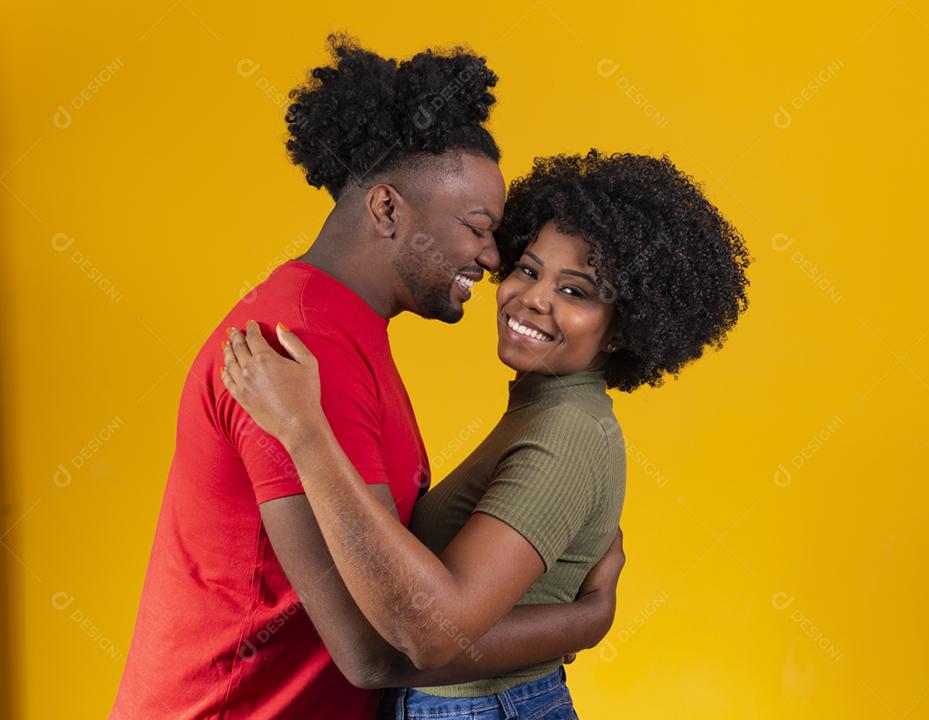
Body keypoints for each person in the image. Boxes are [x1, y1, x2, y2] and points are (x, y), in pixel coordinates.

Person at [111, 36, 624, 720]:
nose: (494, 256)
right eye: (479, 227)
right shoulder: (300, 347)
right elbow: (379, 653)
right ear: (386, 210)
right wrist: (586, 622)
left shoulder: (347, 332)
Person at [219, 149, 753, 718]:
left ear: (622, 331)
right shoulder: (543, 411)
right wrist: (582, 621)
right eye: (528, 268)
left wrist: (304, 430)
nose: (534, 298)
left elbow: (428, 632)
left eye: (575, 292)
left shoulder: (566, 432)